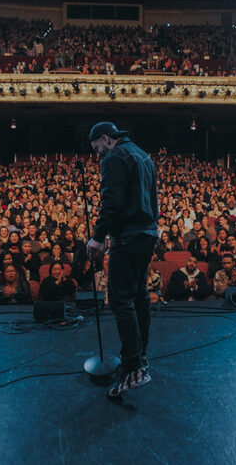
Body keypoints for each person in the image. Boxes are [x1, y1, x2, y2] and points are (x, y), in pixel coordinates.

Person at [85, 121, 159, 399]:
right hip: (148, 233)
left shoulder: (115, 156)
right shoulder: (142, 154)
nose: (98, 156)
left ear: (106, 139)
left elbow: (111, 201)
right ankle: (141, 357)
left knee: (120, 300)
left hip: (127, 236)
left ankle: (133, 368)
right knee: (139, 294)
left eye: (97, 149)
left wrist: (97, 237)